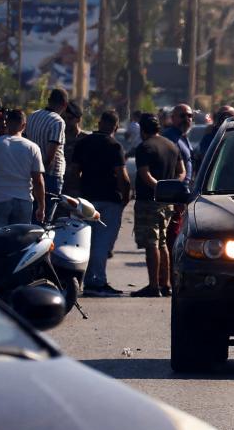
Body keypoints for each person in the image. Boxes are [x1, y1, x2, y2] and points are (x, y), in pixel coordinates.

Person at [69, 110, 133, 297]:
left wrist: (77, 191)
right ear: (115, 126)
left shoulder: (83, 143)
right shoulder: (115, 146)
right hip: (109, 200)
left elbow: (74, 172)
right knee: (102, 243)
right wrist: (125, 198)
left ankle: (84, 279)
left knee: (84, 242)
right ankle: (96, 281)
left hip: (86, 199)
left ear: (99, 123)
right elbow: (123, 177)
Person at [132, 113, 184, 298]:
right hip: (167, 203)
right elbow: (182, 172)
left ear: (142, 130)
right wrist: (171, 188)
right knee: (163, 243)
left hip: (149, 202)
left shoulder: (144, 147)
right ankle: (166, 284)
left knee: (151, 243)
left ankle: (153, 286)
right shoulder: (171, 145)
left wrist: (159, 187)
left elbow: (144, 174)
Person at [0, 109, 46, 226]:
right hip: (23, 202)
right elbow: (38, 180)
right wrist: (41, 206)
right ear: (24, 126)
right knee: (18, 241)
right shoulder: (33, 148)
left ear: (6, 123)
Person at [24, 88, 69, 201]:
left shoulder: (32, 116)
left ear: (48, 100)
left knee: (33, 211)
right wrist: (41, 177)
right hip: (50, 176)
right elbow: (50, 157)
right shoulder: (58, 122)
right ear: (65, 104)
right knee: (45, 214)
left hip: (30, 172)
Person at [60, 101, 85, 198]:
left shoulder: (85, 139)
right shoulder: (57, 138)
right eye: (63, 118)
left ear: (78, 119)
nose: (66, 121)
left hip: (77, 189)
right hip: (58, 186)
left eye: (69, 118)